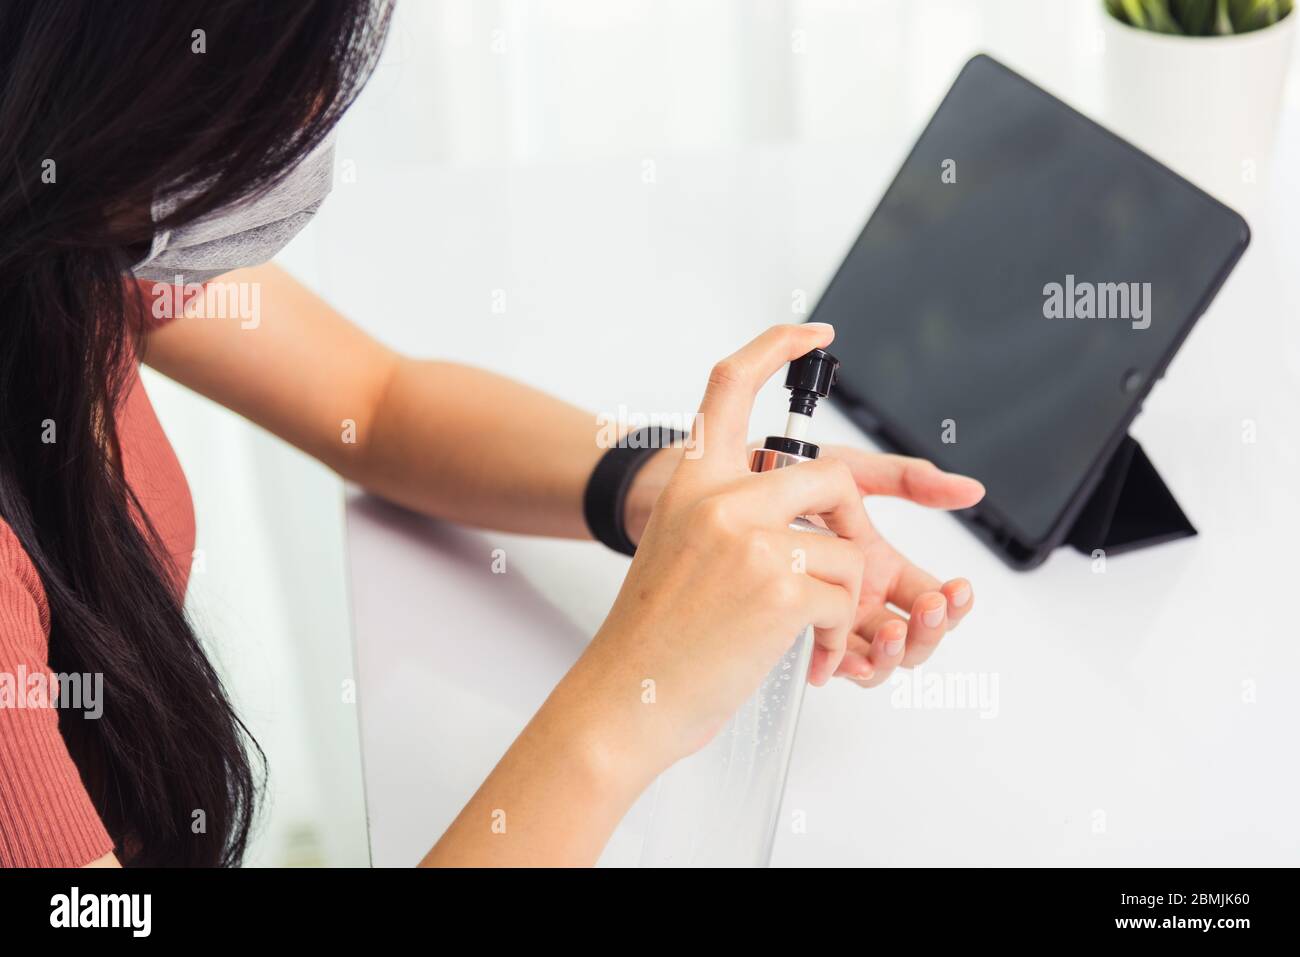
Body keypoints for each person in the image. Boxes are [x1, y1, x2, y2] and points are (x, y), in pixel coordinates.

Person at [0, 0, 982, 868]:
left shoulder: (73, 244)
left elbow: (374, 405)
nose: (307, 120)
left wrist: (674, 494)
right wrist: (630, 701)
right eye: (277, 75)